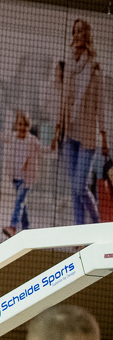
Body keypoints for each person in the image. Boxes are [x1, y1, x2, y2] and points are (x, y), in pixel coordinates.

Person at [54, 19, 109, 226]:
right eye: (74, 32)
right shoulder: (68, 66)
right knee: (74, 190)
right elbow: (62, 100)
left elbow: (100, 106)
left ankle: (96, 224)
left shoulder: (95, 69)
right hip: (69, 135)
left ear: (87, 36)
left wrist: (104, 136)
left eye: (80, 32)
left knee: (79, 187)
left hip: (87, 137)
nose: (76, 35)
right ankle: (80, 231)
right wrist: (58, 128)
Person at [2, 110, 44, 236]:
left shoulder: (32, 140)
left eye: (25, 125)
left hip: (27, 179)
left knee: (19, 202)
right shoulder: (12, 137)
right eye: (20, 124)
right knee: (21, 203)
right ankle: (26, 228)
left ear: (29, 126)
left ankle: (13, 227)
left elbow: (42, 149)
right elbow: (1, 136)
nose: (22, 127)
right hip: (15, 177)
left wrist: (53, 147)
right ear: (16, 125)